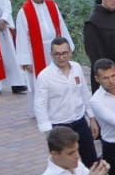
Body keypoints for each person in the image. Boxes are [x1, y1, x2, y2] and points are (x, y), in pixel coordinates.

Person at [34, 36, 98, 166]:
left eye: (64, 53)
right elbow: (40, 105)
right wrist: (48, 132)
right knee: (64, 165)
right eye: (57, 54)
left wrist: (92, 118)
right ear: (51, 54)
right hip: (59, 126)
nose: (61, 57)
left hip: (80, 121)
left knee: (91, 160)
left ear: (70, 52)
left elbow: (84, 92)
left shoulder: (77, 68)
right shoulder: (44, 76)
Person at [15, 0, 71, 111]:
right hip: (36, 52)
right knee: (41, 82)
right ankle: (41, 109)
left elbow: (61, 25)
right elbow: (21, 37)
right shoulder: (24, 12)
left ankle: (59, 105)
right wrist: (25, 60)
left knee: (57, 78)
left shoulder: (52, 5)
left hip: (55, 49)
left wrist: (68, 47)